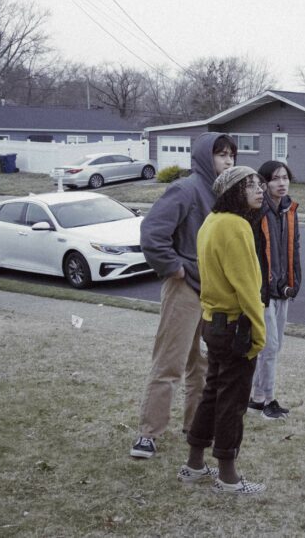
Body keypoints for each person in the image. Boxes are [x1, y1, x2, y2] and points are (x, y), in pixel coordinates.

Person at [130, 132, 236, 459]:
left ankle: (196, 426)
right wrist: (173, 267)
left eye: (231, 154)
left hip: (213, 291)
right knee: (170, 363)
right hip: (184, 288)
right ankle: (149, 433)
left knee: (203, 365)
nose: (228, 160)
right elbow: (152, 232)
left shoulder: (225, 195)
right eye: (221, 154)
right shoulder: (186, 189)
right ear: (206, 157)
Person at [181, 165, 268, 494]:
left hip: (212, 324)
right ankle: (228, 476)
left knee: (212, 394)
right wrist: (259, 333)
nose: (259, 190)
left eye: (259, 184)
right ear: (234, 191)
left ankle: (194, 464)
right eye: (250, 185)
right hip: (236, 328)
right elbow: (246, 286)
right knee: (232, 401)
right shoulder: (236, 225)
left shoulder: (210, 222)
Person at [248, 160, 301, 421]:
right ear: (264, 183)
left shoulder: (290, 209)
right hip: (264, 291)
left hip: (284, 289)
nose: (282, 183)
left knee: (275, 348)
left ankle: (257, 398)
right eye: (275, 179)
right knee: (269, 347)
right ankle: (268, 400)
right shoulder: (258, 211)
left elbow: (295, 248)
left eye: (285, 178)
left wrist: (295, 281)